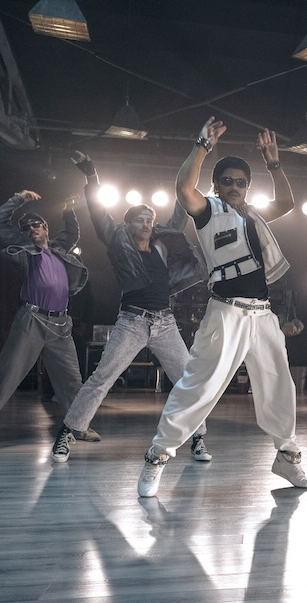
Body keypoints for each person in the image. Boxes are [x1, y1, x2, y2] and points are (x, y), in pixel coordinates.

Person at [136, 117, 307, 497]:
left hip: (262, 315)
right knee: (199, 387)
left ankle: (287, 455)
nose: (235, 186)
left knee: (279, 386)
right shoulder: (208, 211)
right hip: (226, 312)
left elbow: (288, 202)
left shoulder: (254, 214)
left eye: (241, 182)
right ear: (216, 185)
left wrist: (274, 163)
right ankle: (157, 455)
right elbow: (183, 188)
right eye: (228, 181)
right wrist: (202, 146)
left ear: (247, 186)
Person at [51, 153, 209, 463]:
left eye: (150, 219)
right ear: (127, 224)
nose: (147, 224)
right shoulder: (116, 239)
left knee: (187, 381)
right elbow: (98, 212)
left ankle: (198, 438)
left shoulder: (164, 242)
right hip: (132, 322)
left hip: (165, 323)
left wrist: (192, 170)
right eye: (140, 219)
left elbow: (181, 207)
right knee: (101, 379)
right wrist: (92, 176)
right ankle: (68, 433)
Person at [0, 190, 92, 447]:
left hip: (61, 324)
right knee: (7, 374)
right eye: (26, 227)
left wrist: (68, 209)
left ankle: (79, 425)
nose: (31, 229)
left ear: (46, 228)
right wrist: (17, 199)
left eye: (36, 224)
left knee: (71, 379)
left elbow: (72, 232)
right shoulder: (25, 248)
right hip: (32, 319)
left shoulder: (59, 249)